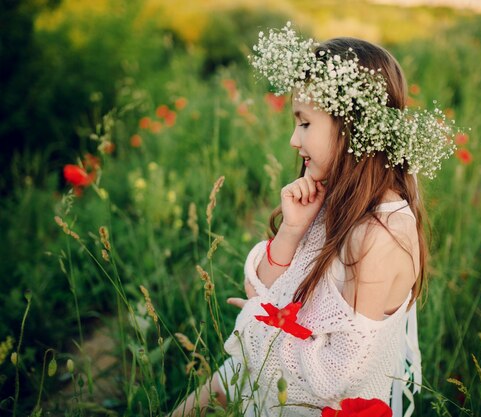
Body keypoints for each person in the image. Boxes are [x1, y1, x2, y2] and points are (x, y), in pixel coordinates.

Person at [172, 22, 455, 417]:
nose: (293, 139)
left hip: (318, 402)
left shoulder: (380, 235)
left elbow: (336, 374)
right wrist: (291, 231)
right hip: (285, 369)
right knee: (217, 386)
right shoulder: (332, 199)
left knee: (228, 379)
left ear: (351, 126)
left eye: (304, 122)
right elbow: (262, 284)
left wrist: (256, 317)